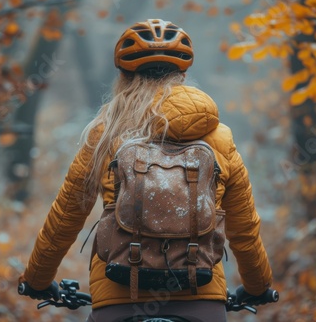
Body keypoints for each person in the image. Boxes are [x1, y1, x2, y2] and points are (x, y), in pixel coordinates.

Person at [18, 19, 273, 322]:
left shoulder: (106, 134)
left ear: (124, 75)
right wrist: (258, 286)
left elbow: (66, 217)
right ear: (182, 74)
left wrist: (37, 279)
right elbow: (244, 230)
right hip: (200, 294)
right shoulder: (219, 137)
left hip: (118, 296)